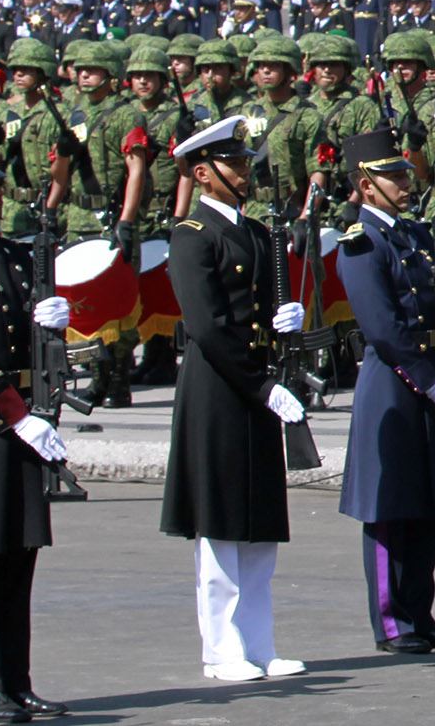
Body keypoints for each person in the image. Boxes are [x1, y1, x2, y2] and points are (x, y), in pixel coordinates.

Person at [160, 115, 308, 683]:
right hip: (222, 388)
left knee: (260, 525)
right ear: (203, 173)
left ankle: (260, 642)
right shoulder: (191, 236)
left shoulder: (258, 233)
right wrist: (264, 385)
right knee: (221, 529)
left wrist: (286, 322)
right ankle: (222, 651)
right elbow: (210, 326)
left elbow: (260, 312)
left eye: (247, 163)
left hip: (256, 384)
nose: (247, 172)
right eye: (235, 164)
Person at [331, 128, 435, 656]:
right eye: (392, 176)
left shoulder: (414, 235)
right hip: (394, 385)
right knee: (390, 508)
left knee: (428, 505)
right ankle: (393, 621)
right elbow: (384, 330)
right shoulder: (361, 242)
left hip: (429, 377)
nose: (403, 182)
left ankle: (421, 612)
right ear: (365, 186)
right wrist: (433, 383)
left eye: (403, 172)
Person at [0, 130, 72, 723]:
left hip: (24, 417)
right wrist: (17, 414)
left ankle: (18, 680)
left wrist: (54, 323)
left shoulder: (12, 253)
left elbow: (31, 335)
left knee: (18, 556)